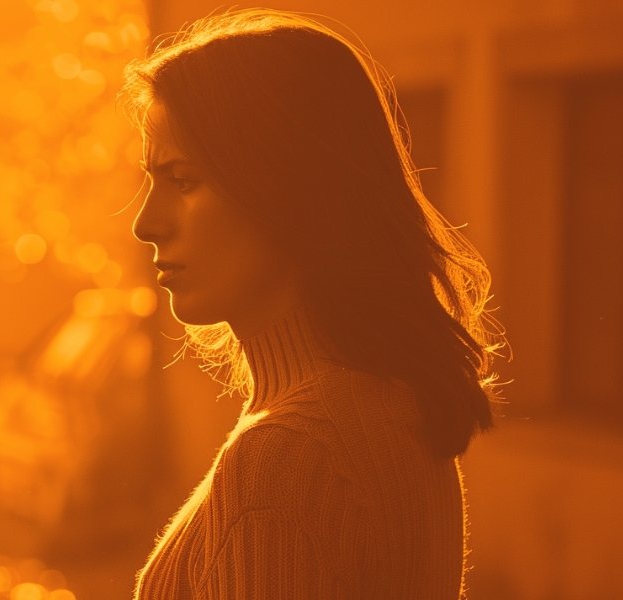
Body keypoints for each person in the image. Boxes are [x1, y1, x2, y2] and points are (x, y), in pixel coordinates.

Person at [121, 9, 506, 599]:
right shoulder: (394, 406)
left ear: (284, 190)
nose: (146, 224)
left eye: (183, 180)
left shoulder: (287, 459)